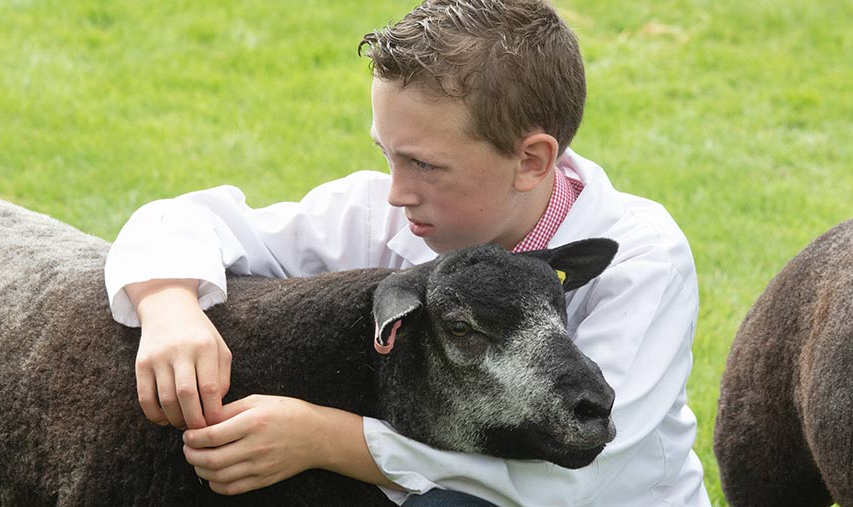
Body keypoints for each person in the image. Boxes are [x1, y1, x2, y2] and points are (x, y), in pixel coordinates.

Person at [104, 1, 711, 505]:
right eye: (387, 154)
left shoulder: (641, 261)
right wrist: (169, 304)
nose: (396, 190)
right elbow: (179, 218)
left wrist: (325, 439)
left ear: (531, 161)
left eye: (423, 163)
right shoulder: (392, 212)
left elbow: (572, 473)